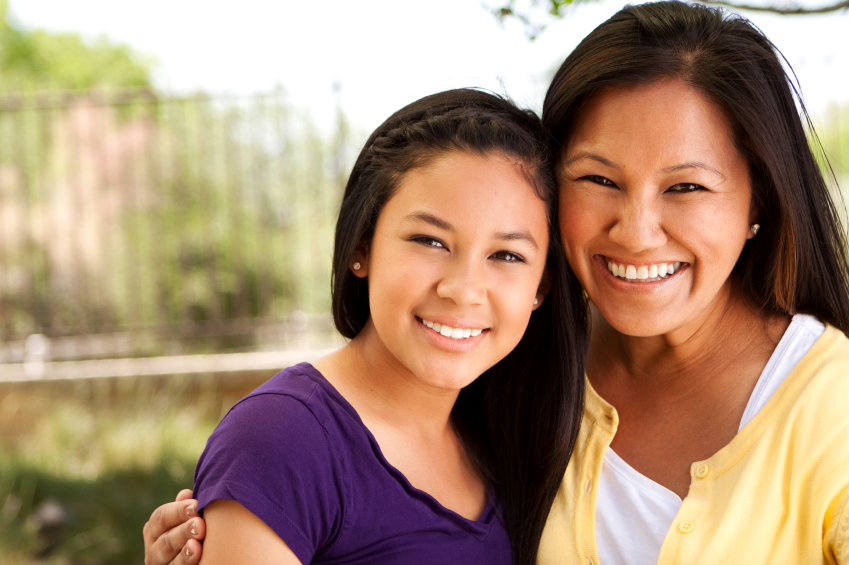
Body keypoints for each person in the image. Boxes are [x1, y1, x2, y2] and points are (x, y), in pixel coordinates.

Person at [144, 2, 849, 564]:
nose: (636, 230)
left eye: (687, 186)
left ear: (759, 201)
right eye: (598, 179)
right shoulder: (509, 370)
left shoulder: (829, 406)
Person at [143, 89, 588, 565]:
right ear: (362, 247)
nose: (464, 289)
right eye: (431, 241)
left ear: (540, 288)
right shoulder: (282, 439)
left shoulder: (512, 436)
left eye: (506, 255)